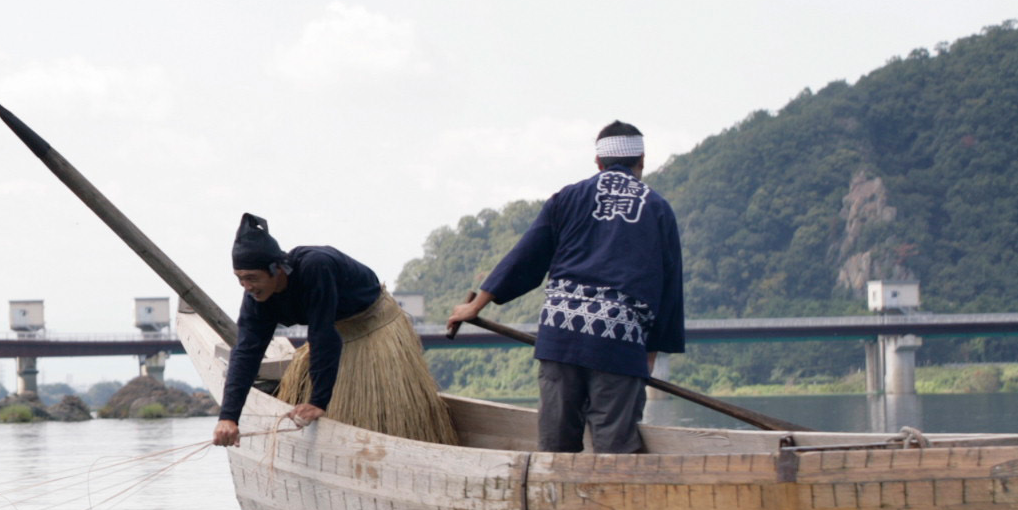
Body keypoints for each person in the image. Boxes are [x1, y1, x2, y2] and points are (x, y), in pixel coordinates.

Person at [446, 121, 685, 454]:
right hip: (619, 339)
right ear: (641, 161)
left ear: (598, 163)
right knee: (615, 445)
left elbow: (526, 256)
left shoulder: (568, 197)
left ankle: (557, 501)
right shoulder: (658, 209)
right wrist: (649, 355)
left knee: (557, 441)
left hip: (562, 333)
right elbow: (668, 291)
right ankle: (614, 499)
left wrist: (476, 306)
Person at [213, 213, 457, 447]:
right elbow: (246, 352)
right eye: (240, 279)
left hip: (373, 326)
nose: (247, 287)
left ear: (277, 269)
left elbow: (323, 335)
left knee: (379, 412)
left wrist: (318, 402)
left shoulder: (315, 267)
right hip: (336, 330)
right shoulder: (256, 298)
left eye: (252, 278)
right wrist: (229, 417)